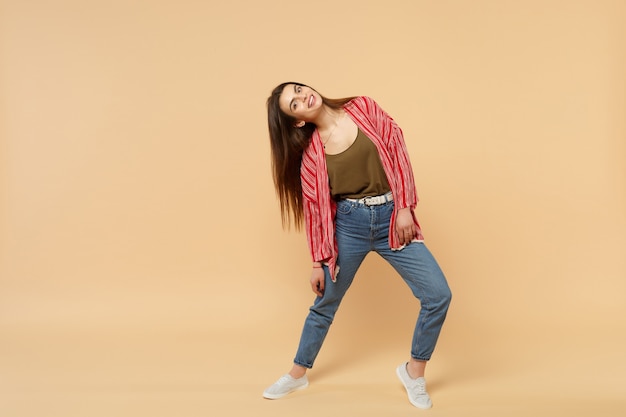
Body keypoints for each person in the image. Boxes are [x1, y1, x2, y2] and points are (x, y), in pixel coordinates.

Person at [262, 82, 452, 409]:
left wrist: (405, 206)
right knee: (324, 304)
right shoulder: (311, 156)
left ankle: (414, 373)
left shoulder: (364, 108)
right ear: (297, 121)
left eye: (298, 89)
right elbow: (316, 210)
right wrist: (317, 261)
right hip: (349, 227)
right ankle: (297, 373)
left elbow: (397, 147)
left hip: (393, 218)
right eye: (294, 104)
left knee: (438, 295)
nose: (302, 96)